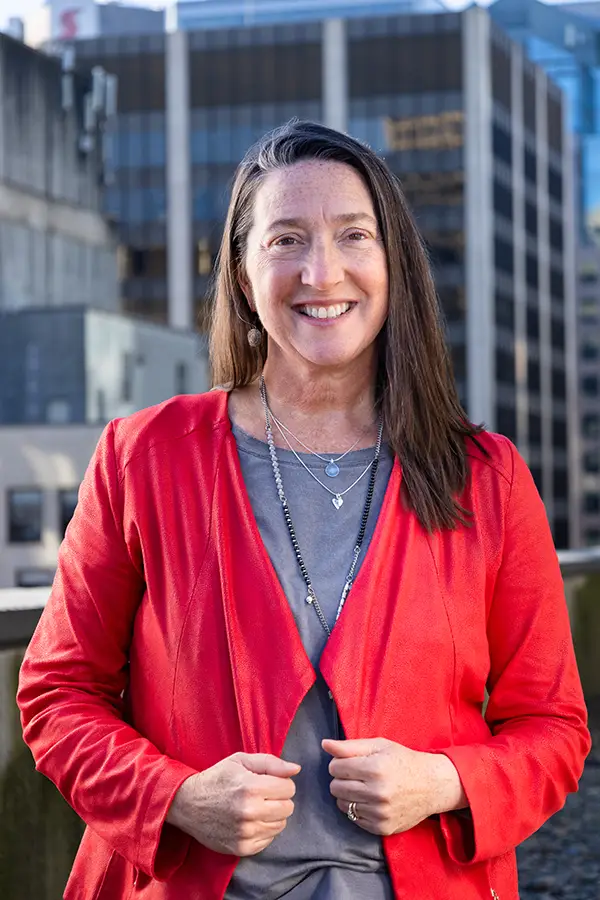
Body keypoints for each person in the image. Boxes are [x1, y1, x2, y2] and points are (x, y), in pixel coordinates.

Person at [18, 120, 590, 900]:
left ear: (393, 264)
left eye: (353, 234)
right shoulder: (143, 457)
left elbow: (555, 729)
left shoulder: (486, 478)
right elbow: (58, 694)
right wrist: (175, 798)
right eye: (286, 239)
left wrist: (446, 779)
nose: (321, 272)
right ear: (244, 275)